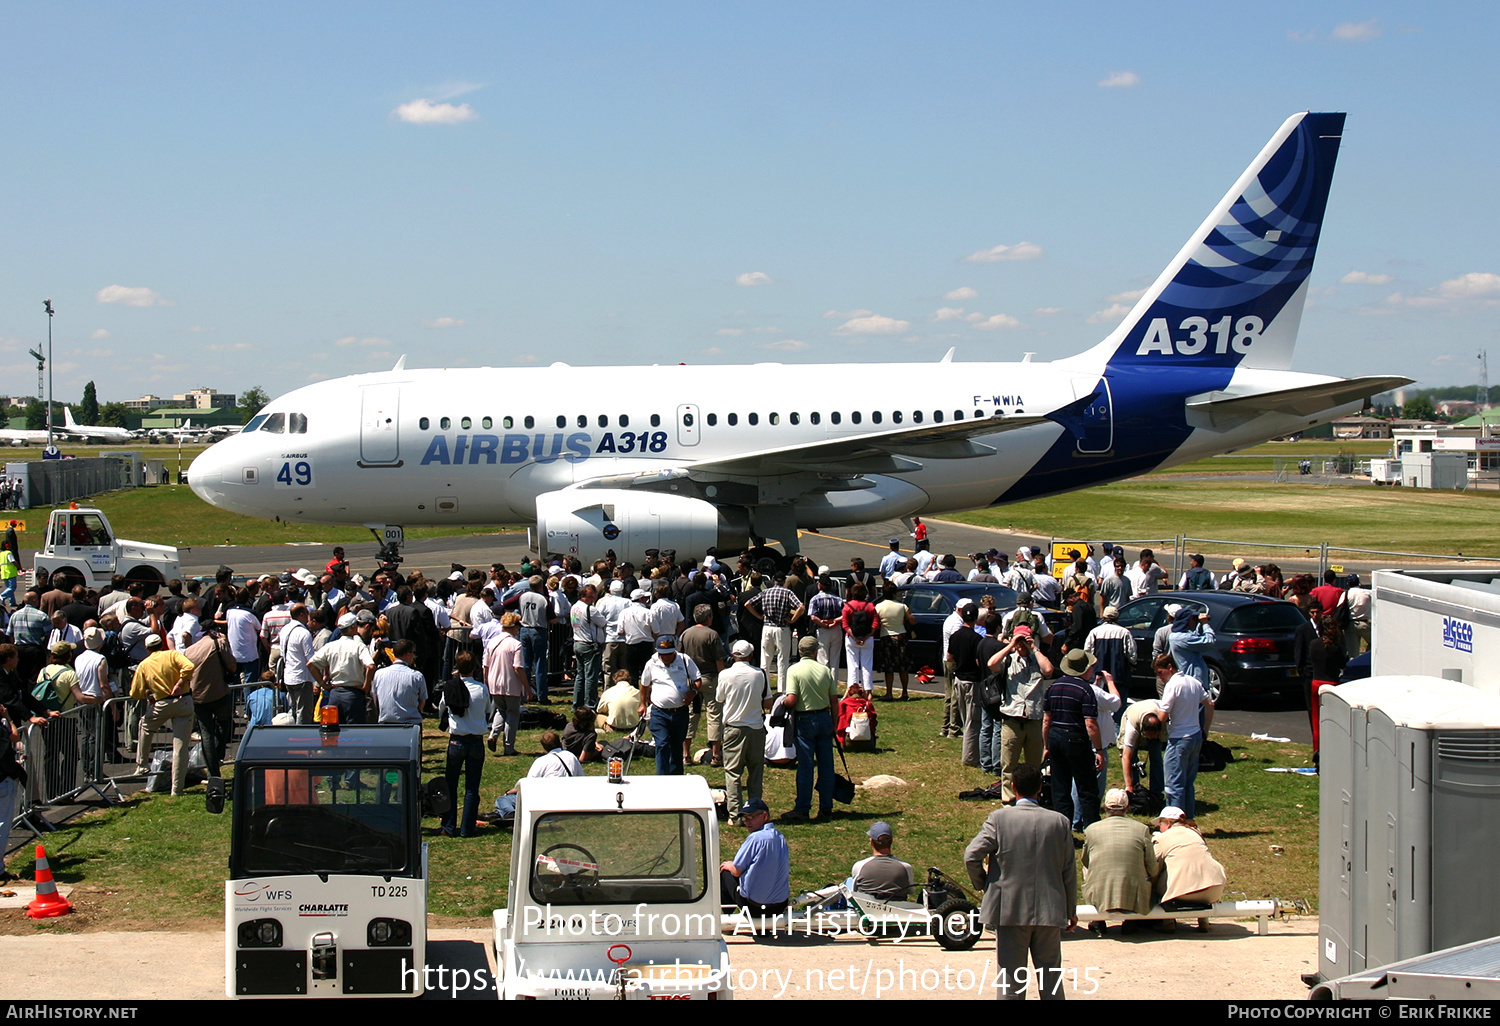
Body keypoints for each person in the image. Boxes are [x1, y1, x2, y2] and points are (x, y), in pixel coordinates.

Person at [964, 762, 1077, 1001]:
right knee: (1051, 980)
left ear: (1013, 787)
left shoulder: (998, 819)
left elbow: (971, 856)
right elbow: (1068, 870)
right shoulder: (1059, 822)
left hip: (1010, 909)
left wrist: (985, 884)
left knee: (1011, 983)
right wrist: (1070, 909)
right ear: (1039, 788)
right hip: (1050, 909)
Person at [985, 625, 1051, 801]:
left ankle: (1032, 798)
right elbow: (991, 664)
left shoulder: (1037, 658)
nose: (1022, 644)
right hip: (1012, 719)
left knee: (1034, 765)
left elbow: (1049, 670)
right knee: (1008, 764)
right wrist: (1010, 645)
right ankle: (1008, 799)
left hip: (1034, 719)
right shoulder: (1008, 660)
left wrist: (1034, 648)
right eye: (1019, 640)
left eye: (1025, 640)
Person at [1042, 648, 1105, 831]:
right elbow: (1090, 724)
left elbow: (1047, 720)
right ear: (1085, 669)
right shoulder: (1085, 690)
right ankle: (1091, 827)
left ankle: (1063, 829)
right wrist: (1099, 750)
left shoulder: (1052, 687)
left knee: (1060, 786)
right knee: (1086, 788)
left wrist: (1047, 745)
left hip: (1055, 736)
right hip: (1076, 739)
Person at [1081, 789, 1159, 933]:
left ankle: (1098, 919)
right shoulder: (1142, 829)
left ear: (1105, 807)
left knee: (1087, 869)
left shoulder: (1091, 829)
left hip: (1100, 888)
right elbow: (1152, 868)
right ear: (1128, 807)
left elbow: (1085, 861)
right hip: (1133, 888)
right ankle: (1131, 918)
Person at [130, 634, 198, 795]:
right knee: (180, 746)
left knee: (145, 726)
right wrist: (180, 683)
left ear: (147, 648)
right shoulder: (173, 654)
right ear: (161, 644)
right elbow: (189, 666)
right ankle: (177, 789)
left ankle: (142, 764)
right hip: (184, 702)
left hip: (161, 703)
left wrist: (148, 693)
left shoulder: (144, 665)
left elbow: (135, 692)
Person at [782, 635, 837, 823]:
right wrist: (835, 723)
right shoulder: (825, 670)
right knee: (826, 765)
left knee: (805, 766)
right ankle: (826, 806)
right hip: (824, 717)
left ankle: (803, 808)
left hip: (804, 718)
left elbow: (791, 699)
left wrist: (780, 702)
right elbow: (833, 700)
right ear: (815, 652)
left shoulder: (794, 670)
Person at [717, 639, 772, 824]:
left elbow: (720, 698)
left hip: (734, 728)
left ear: (733, 655)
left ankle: (735, 814)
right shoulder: (760, 674)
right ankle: (755, 812)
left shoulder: (725, 674)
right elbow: (768, 701)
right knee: (756, 771)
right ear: (750, 655)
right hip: (756, 728)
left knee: (733, 773)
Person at [1156, 654, 1214, 818]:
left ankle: (1174, 821)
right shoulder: (1193, 681)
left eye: (1160, 672)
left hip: (1179, 738)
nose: (1159, 677)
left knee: (1174, 785)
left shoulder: (1173, 685)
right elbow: (1209, 704)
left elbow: (1162, 716)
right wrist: (1205, 729)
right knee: (1188, 784)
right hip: (1195, 736)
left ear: (1170, 667)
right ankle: (1188, 819)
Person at [440, 651, 490, 837]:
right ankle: (467, 827)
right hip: (476, 740)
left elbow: (442, 708)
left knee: (451, 784)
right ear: (475, 668)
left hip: (457, 739)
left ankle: (448, 825)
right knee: (472, 787)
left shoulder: (450, 687)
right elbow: (488, 710)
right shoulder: (481, 689)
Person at [637, 635, 701, 776]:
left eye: (668, 654)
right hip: (660, 712)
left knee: (677, 747)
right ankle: (662, 777)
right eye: (662, 654)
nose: (665, 657)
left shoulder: (684, 660)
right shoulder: (651, 663)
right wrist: (642, 703)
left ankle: (676, 776)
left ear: (674, 651)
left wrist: (693, 693)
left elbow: (697, 679)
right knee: (662, 744)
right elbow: (644, 684)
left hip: (680, 712)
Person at [720, 798, 791, 919]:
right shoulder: (780, 837)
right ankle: (764, 929)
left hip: (755, 908)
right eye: (745, 818)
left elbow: (737, 871)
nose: (747, 822)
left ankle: (728, 919)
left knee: (725, 871)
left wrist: (729, 865)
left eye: (751, 817)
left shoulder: (756, 838)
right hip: (780, 906)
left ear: (764, 816)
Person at [1153, 807, 1227, 916]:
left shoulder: (1162, 838)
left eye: (1160, 823)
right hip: (1214, 889)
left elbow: (1154, 868)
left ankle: (1167, 922)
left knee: (1163, 878)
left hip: (1183, 893)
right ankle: (1203, 921)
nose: (1159, 827)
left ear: (1168, 823)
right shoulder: (1196, 833)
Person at [308, 611, 377, 725]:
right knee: (355, 733)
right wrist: (366, 687)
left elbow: (311, 665)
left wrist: (323, 684)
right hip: (353, 695)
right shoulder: (359, 646)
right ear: (353, 627)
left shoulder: (330, 646)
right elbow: (370, 666)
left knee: (334, 731)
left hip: (335, 694)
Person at [484, 612, 531, 756]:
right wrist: (527, 688)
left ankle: (493, 734)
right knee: (512, 713)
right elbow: (518, 667)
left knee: (500, 710)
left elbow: (485, 665)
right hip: (511, 684)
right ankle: (509, 746)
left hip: (494, 682)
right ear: (514, 627)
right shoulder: (515, 644)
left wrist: (486, 683)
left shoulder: (492, 642)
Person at [1119, 698, 1169, 797]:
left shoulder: (1164, 718)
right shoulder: (1132, 726)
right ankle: (1134, 790)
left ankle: (1156, 792)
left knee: (1156, 757)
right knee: (1131, 757)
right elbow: (1126, 757)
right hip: (1133, 713)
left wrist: (1155, 738)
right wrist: (1128, 785)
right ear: (1143, 730)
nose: (1151, 738)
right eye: (1148, 736)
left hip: (1154, 714)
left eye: (1154, 736)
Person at [850, 821, 913, 900]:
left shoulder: (859, 866)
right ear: (891, 841)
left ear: (872, 842)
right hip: (897, 908)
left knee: (849, 881)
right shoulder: (906, 868)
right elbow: (911, 890)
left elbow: (854, 891)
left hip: (867, 908)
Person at [371, 638, 427, 724]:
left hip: (385, 722)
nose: (414, 656)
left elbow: (375, 699)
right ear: (408, 654)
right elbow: (422, 701)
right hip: (411, 723)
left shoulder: (379, 674)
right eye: (413, 653)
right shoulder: (416, 676)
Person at [835, 679, 877, 746]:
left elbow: (837, 711)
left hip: (848, 741)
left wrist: (844, 696)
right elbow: (873, 718)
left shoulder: (844, 704)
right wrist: (866, 697)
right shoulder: (867, 704)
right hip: (867, 742)